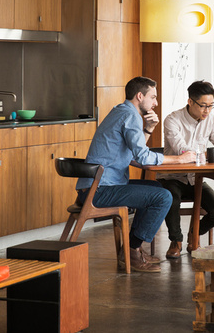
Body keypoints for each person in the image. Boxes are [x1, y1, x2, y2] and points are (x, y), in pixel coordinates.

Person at [77, 76, 196, 273]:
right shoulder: (130, 116)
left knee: (157, 188)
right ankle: (132, 252)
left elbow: (134, 154)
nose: (156, 103)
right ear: (140, 96)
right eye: (153, 97)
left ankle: (134, 247)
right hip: (98, 191)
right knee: (163, 196)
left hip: (96, 187)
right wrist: (179, 160)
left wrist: (148, 129)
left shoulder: (121, 111)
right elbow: (142, 156)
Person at [158, 80, 214, 259]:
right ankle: (175, 241)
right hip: (172, 176)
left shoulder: (211, 120)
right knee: (171, 198)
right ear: (190, 102)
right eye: (203, 106)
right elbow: (182, 151)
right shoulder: (172, 120)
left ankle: (194, 234)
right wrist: (210, 154)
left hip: (195, 178)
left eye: (211, 106)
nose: (207, 111)